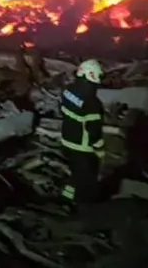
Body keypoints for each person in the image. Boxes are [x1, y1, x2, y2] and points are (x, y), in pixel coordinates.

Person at [60, 59, 106, 208]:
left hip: (66, 140)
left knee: (74, 173)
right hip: (83, 147)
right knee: (86, 180)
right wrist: (99, 148)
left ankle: (66, 199)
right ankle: (83, 207)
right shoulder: (92, 102)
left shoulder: (68, 91)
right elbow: (94, 130)